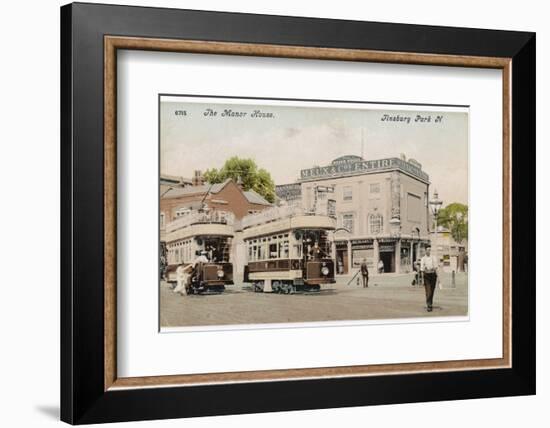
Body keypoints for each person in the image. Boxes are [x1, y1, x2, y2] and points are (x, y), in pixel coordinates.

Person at [420, 246, 439, 312]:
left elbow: (436, 267)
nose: (428, 251)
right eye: (427, 250)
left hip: (433, 275)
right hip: (426, 276)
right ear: (425, 251)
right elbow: (422, 270)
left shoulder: (433, 258)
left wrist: (438, 277)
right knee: (428, 291)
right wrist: (422, 280)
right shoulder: (423, 259)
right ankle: (429, 305)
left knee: (432, 291)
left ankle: (430, 303)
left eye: (429, 250)